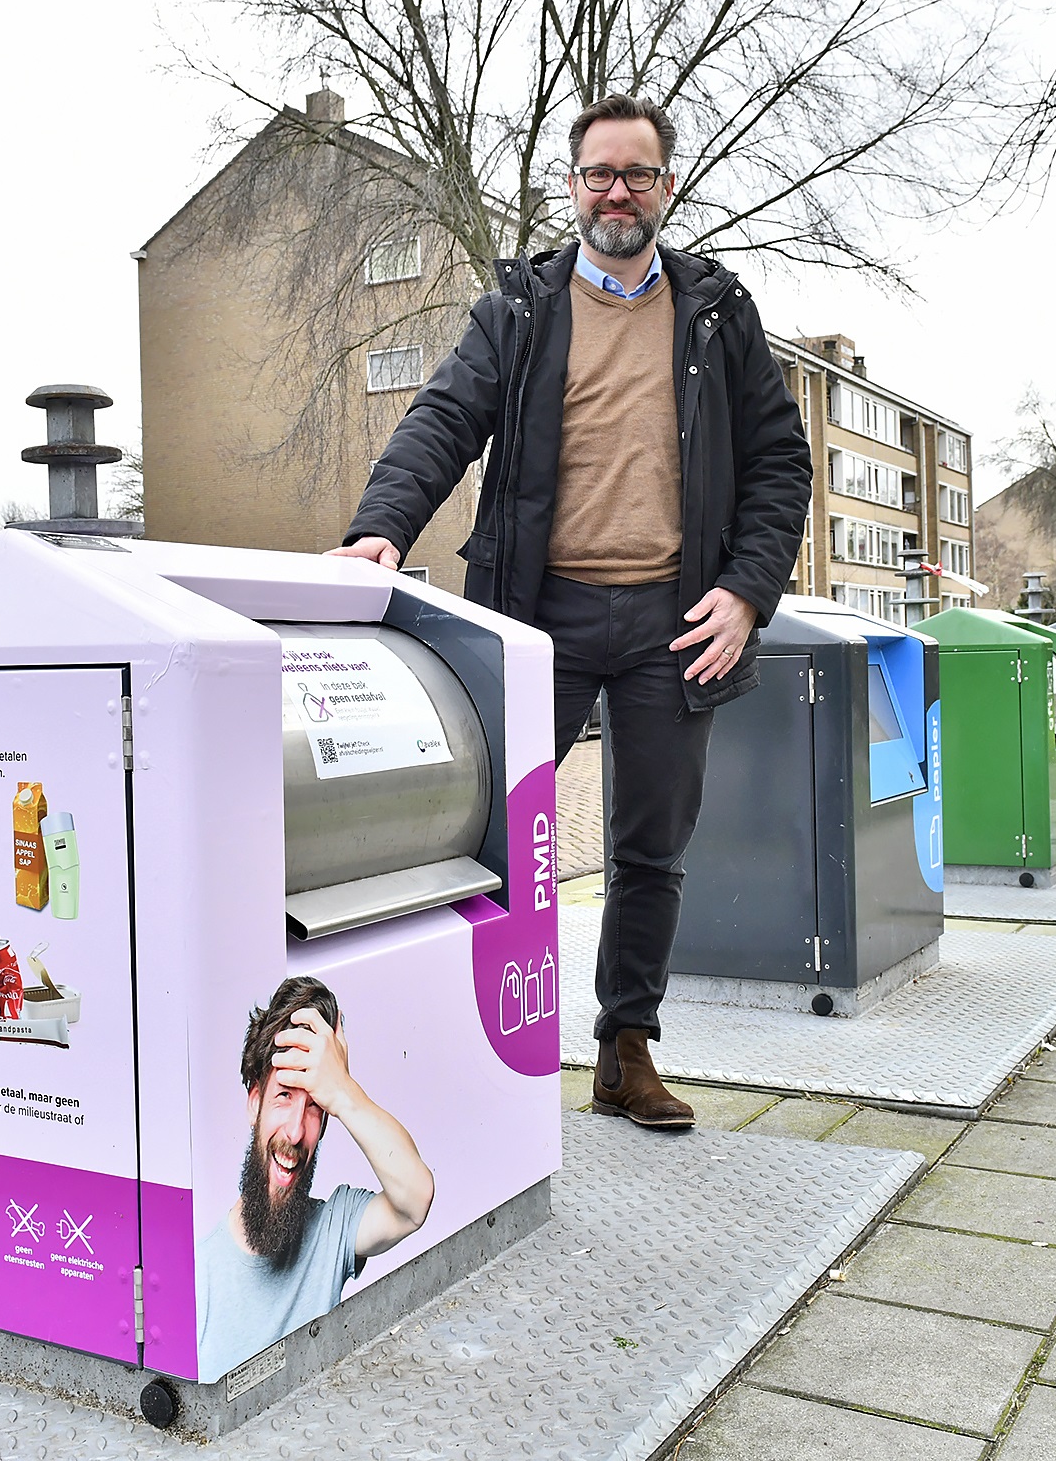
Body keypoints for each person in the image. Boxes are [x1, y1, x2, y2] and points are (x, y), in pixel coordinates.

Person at [332, 92, 812, 1129]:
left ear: (667, 187)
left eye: (637, 174)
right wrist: (383, 524)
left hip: (674, 621)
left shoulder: (719, 314)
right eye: (599, 173)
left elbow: (781, 463)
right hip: (532, 616)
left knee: (651, 846)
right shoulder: (523, 309)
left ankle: (624, 1048)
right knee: (497, 836)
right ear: (572, 184)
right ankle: (483, 1046)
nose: (617, 193)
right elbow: (445, 416)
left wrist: (746, 589)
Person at [195, 976, 435, 1376]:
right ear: (255, 1103)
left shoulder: (332, 1230)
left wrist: (342, 1092)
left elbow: (414, 1202)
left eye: (314, 1107)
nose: (294, 1132)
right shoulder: (195, 1277)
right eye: (284, 1095)